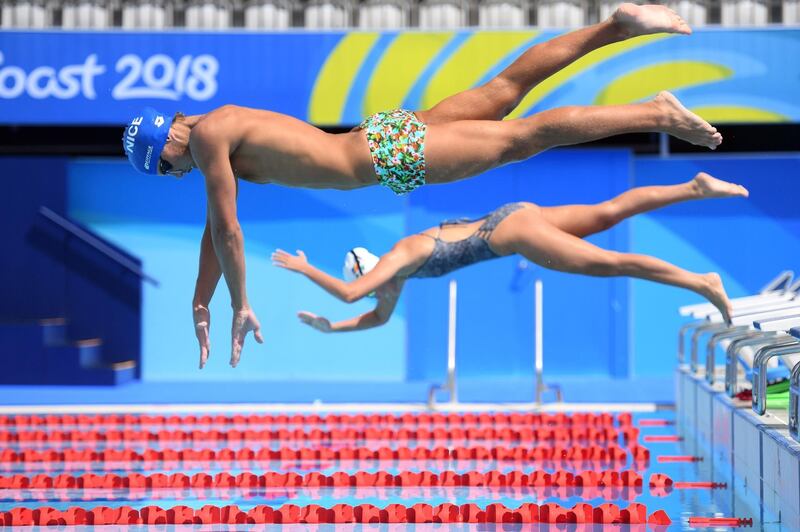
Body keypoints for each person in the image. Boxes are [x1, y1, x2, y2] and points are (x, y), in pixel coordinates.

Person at [122, 4, 720, 368]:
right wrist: (201, 301)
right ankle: (616, 26)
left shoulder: (207, 139)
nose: (179, 175)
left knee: (522, 137)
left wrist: (239, 301)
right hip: (376, 137)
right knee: (504, 90)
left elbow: (228, 228)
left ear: (169, 144)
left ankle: (656, 113)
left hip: (385, 156)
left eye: (167, 169)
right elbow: (212, 233)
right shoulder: (218, 130)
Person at [272, 173, 746, 332]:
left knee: (611, 263)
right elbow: (374, 316)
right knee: (606, 213)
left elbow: (355, 295)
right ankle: (694, 187)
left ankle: (702, 281)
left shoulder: (399, 257)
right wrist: (329, 327)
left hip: (510, 236)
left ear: (370, 268)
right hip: (514, 215)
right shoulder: (397, 275)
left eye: (376, 281)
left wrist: (305, 268)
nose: (382, 291)